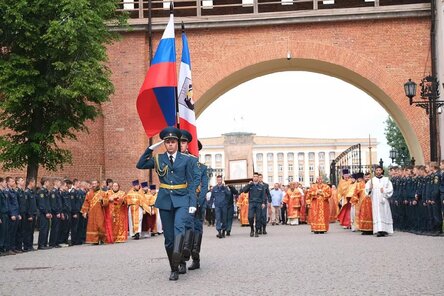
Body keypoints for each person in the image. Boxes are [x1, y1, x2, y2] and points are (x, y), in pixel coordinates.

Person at [136, 126, 200, 281]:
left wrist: (192, 202)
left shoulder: (188, 160)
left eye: (173, 141)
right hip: (165, 200)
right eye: (167, 142)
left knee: (179, 228)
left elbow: (191, 183)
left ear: (177, 143)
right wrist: (150, 148)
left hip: (182, 199)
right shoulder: (158, 159)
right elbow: (140, 164)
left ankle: (179, 261)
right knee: (169, 238)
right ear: (164, 144)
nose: (170, 144)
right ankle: (173, 268)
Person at [188, 140, 209, 270]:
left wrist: (199, 202)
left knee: (197, 228)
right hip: (185, 201)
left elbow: (204, 186)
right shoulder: (184, 165)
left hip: (198, 202)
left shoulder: (202, 167)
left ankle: (196, 257)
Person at [365, 166, 394, 237]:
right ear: (375, 171)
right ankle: (378, 230)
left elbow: (390, 189)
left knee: (385, 213)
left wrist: (384, 190)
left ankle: (385, 230)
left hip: (384, 200)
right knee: (377, 214)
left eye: (379, 170)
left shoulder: (386, 180)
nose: (378, 171)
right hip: (375, 200)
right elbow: (366, 191)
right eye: (377, 170)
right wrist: (370, 189)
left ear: (382, 171)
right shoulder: (371, 180)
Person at [80, 180, 108, 244]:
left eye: (95, 183)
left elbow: (107, 202)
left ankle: (102, 239)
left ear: (98, 184)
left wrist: (102, 200)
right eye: (93, 184)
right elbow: (86, 203)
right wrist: (84, 211)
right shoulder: (89, 193)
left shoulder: (103, 193)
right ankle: (94, 240)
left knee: (100, 225)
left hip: (100, 212)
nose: (94, 185)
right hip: (91, 212)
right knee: (92, 226)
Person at [241, 172, 266, 237]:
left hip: (258, 203)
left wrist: (263, 203)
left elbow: (263, 195)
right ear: (252, 178)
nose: (255, 177)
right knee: (250, 217)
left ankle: (256, 231)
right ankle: (252, 229)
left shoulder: (261, 186)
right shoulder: (250, 185)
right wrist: (249, 184)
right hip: (251, 203)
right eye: (254, 176)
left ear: (258, 178)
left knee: (258, 218)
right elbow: (244, 190)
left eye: (256, 176)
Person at [37, 177, 52, 250]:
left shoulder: (46, 191)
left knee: (46, 229)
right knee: (43, 229)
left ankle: (45, 243)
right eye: (48, 182)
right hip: (43, 214)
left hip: (47, 213)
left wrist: (49, 212)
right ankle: (41, 244)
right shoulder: (41, 191)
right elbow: (41, 204)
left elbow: (48, 203)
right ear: (45, 182)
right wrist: (46, 212)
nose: (49, 183)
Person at [23, 178, 38, 251]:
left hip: (33, 214)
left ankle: (30, 245)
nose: (34, 184)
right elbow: (26, 205)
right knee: (28, 231)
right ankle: (26, 246)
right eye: (34, 182)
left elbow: (33, 204)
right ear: (31, 182)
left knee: (31, 231)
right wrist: (29, 215)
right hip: (29, 215)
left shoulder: (32, 192)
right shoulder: (27, 192)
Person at [49, 178, 63, 248]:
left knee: (58, 228)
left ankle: (56, 242)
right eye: (59, 183)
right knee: (54, 228)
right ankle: (52, 243)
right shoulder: (53, 192)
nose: (60, 184)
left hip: (58, 213)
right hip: (55, 213)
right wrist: (57, 212)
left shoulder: (57, 191)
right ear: (56, 183)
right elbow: (53, 204)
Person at [0, 178, 11, 256]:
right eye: (4, 182)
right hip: (2, 215)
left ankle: (4, 248)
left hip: (6, 214)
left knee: (5, 232)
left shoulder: (4, 192)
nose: (5, 183)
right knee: (2, 232)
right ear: (0, 183)